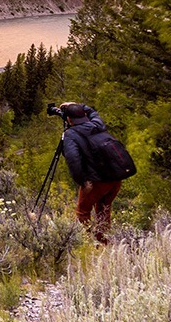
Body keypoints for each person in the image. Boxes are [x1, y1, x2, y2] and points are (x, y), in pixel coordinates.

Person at [60, 101, 121, 243]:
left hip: (97, 181)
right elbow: (94, 113)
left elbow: (73, 160)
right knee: (103, 209)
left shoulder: (70, 134)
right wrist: (80, 105)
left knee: (83, 212)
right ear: (84, 115)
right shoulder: (97, 124)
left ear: (69, 119)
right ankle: (103, 244)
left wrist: (83, 181)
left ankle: (85, 244)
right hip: (115, 177)